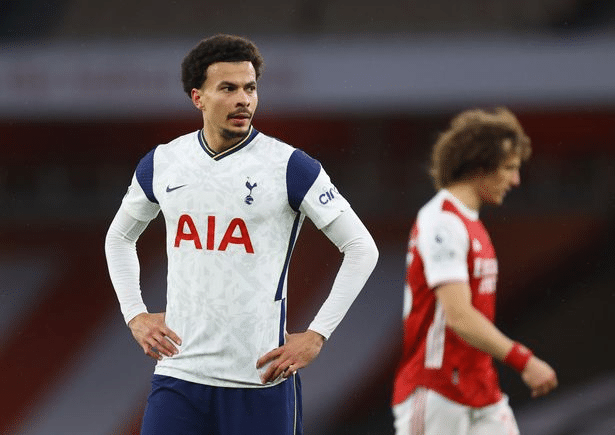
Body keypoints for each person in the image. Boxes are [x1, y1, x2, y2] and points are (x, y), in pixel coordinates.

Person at [104, 34, 378, 435]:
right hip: (180, 376)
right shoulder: (163, 162)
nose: (243, 100)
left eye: (250, 88)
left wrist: (317, 335)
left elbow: (361, 248)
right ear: (198, 97)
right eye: (228, 89)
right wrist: (135, 314)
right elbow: (119, 237)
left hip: (259, 381)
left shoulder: (289, 166)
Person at [391, 107, 558, 435]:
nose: (515, 180)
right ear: (479, 166)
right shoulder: (442, 221)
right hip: (437, 389)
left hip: (480, 388)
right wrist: (523, 359)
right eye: (509, 168)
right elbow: (459, 316)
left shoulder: (470, 223)